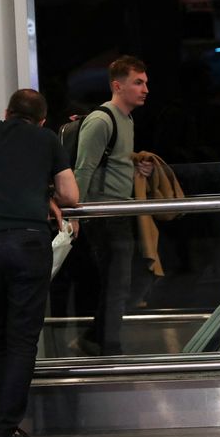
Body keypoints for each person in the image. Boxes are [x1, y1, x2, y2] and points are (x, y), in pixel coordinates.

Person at [0, 89, 79, 437]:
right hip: (28, 243)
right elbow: (71, 196)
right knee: (21, 339)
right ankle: (6, 427)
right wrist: (48, 193)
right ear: (43, 120)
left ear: (6, 113)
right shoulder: (47, 139)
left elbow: (4, 176)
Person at [74, 55, 153, 356]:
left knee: (118, 282)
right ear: (117, 86)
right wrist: (75, 213)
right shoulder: (101, 120)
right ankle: (108, 346)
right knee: (117, 283)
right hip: (104, 214)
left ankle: (99, 337)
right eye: (138, 82)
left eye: (145, 82)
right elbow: (84, 168)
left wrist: (137, 171)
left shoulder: (127, 119)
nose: (145, 88)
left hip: (119, 211)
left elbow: (113, 165)